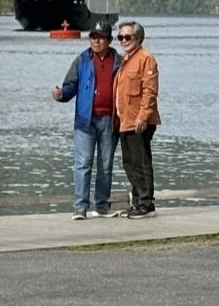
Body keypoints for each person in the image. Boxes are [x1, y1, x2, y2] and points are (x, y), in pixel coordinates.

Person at [53, 22, 122, 220]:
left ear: (108, 40)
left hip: (110, 120)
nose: (96, 41)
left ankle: (101, 205)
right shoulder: (81, 60)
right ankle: (80, 207)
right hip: (85, 120)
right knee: (83, 163)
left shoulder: (119, 61)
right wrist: (61, 95)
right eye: (93, 37)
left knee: (106, 164)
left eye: (100, 37)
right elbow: (70, 86)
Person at [114, 21, 161, 219]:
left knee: (141, 162)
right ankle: (137, 201)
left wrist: (143, 116)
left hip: (139, 121)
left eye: (128, 37)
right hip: (125, 121)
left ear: (138, 38)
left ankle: (146, 203)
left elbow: (150, 91)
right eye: (120, 37)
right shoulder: (126, 60)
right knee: (129, 163)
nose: (123, 41)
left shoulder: (145, 59)